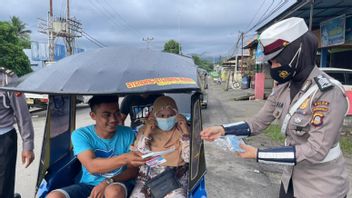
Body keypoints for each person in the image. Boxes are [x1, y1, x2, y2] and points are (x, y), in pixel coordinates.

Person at [200, 17, 350, 198]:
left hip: (321, 187)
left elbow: (316, 150)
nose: (274, 66)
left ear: (297, 53)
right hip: (290, 180)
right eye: (270, 62)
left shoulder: (328, 92)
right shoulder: (283, 88)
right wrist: (222, 130)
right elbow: (257, 123)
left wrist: (257, 153)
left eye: (277, 60)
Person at [47, 95, 146, 198]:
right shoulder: (81, 134)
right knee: (54, 196)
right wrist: (126, 158)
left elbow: (133, 171)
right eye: (106, 115)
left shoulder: (128, 133)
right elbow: (92, 166)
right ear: (93, 115)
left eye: (117, 113)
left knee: (113, 191)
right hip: (88, 185)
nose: (113, 119)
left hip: (117, 182)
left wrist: (108, 181)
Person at [130, 96, 190, 198]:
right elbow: (140, 153)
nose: (166, 119)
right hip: (148, 177)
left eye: (170, 115)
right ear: (154, 115)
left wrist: (185, 133)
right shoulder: (145, 130)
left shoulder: (182, 130)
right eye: (161, 115)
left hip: (175, 178)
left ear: (177, 115)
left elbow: (188, 157)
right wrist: (148, 131)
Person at [0, 67, 35, 198]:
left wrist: (28, 146)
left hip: (3, 139)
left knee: (3, 187)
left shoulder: (7, 78)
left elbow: (22, 115)